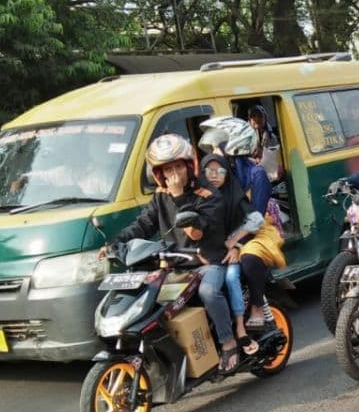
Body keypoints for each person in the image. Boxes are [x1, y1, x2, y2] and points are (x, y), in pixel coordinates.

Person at [106, 135, 243, 373]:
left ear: (189, 166)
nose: (174, 174)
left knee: (208, 292)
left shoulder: (207, 194)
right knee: (148, 300)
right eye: (168, 170)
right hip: (174, 266)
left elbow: (196, 233)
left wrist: (179, 196)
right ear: (159, 174)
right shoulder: (161, 195)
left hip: (207, 263)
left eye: (178, 167)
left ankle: (228, 342)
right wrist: (115, 243)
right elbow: (143, 224)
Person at [200, 152, 263, 352]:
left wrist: (235, 243)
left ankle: (240, 328)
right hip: (210, 255)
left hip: (233, 249)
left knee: (231, 277)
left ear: (227, 174)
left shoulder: (233, 193)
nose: (214, 175)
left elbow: (256, 219)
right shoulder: (198, 197)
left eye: (220, 170)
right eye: (209, 171)